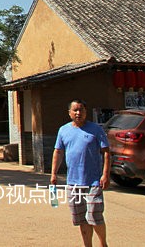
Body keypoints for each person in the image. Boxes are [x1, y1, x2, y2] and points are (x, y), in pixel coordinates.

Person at [50, 99, 110, 247]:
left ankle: (103, 244)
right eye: (75, 110)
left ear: (85, 111)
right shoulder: (63, 130)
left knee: (95, 216)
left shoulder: (96, 129)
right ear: (69, 113)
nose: (78, 113)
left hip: (93, 181)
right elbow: (58, 152)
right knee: (81, 219)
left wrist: (105, 174)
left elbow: (106, 152)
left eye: (81, 110)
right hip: (73, 182)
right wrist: (53, 174)